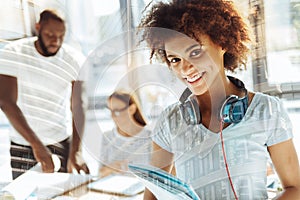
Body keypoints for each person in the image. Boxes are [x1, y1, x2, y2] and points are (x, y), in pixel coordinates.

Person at [138, 0, 300, 199]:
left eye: (195, 52)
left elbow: (295, 188)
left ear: (222, 42)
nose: (186, 68)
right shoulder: (170, 122)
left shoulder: (266, 110)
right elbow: (151, 196)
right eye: (175, 59)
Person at [0, 9, 89, 179]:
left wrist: (77, 151)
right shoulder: (14, 52)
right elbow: (5, 101)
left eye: (61, 35)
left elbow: (79, 105)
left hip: (61, 141)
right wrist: (37, 145)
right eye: (49, 34)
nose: (55, 40)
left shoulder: (74, 59)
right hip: (24, 144)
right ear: (38, 28)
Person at [99, 90, 152, 177]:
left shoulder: (150, 137)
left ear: (132, 109)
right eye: (110, 111)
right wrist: (110, 168)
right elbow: (100, 174)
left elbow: (159, 175)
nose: (112, 116)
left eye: (116, 111)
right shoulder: (107, 137)